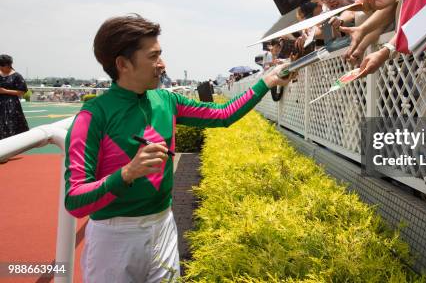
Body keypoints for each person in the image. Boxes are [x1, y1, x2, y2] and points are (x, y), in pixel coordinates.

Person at [64, 15, 290, 282]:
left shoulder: (167, 100)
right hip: (114, 239)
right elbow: (75, 200)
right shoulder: (92, 117)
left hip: (164, 226)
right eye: (153, 56)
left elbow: (223, 114)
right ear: (123, 64)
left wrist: (267, 81)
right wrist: (126, 174)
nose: (162, 64)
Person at [0, 54, 29, 142]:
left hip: (11, 104)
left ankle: (11, 145)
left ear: (8, 65)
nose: (0, 67)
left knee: (10, 123)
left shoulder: (17, 76)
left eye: (2, 66)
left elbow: (22, 91)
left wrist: (5, 91)